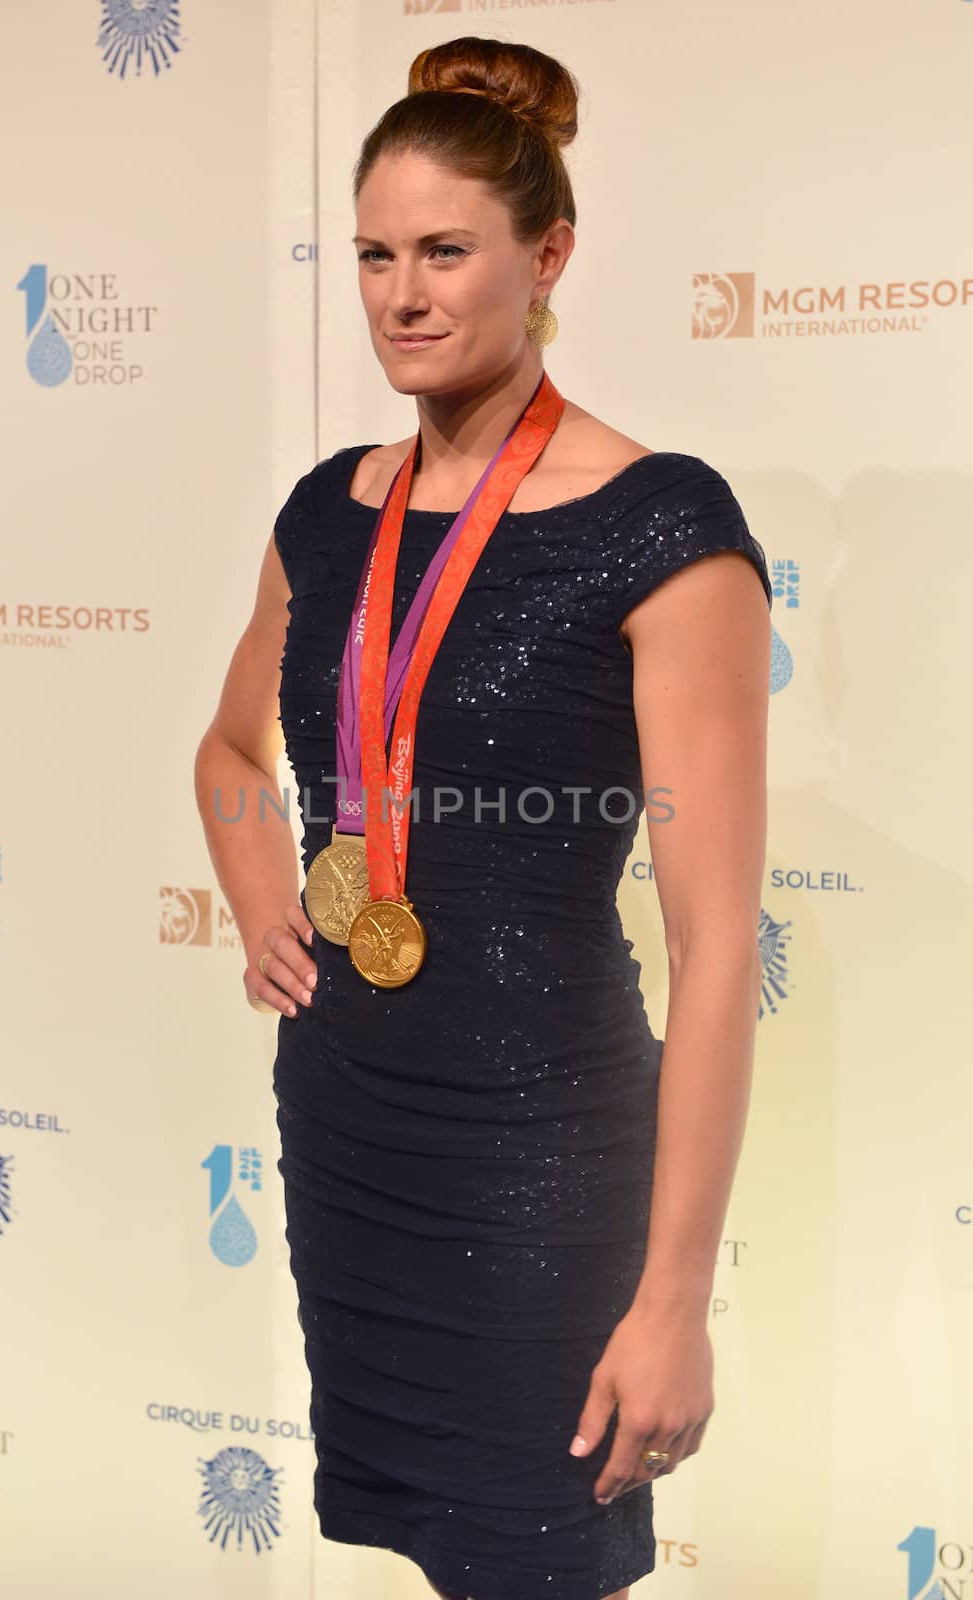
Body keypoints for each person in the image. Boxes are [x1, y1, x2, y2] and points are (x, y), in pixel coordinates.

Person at [194, 34, 771, 1600]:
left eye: (445, 251)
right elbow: (232, 753)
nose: (402, 294)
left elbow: (720, 945)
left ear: (548, 254)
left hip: (545, 1156)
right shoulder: (328, 509)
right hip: (348, 1112)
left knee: (535, 1561)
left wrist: (670, 1299)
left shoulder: (661, 523)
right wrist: (261, 898)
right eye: (376, 254)